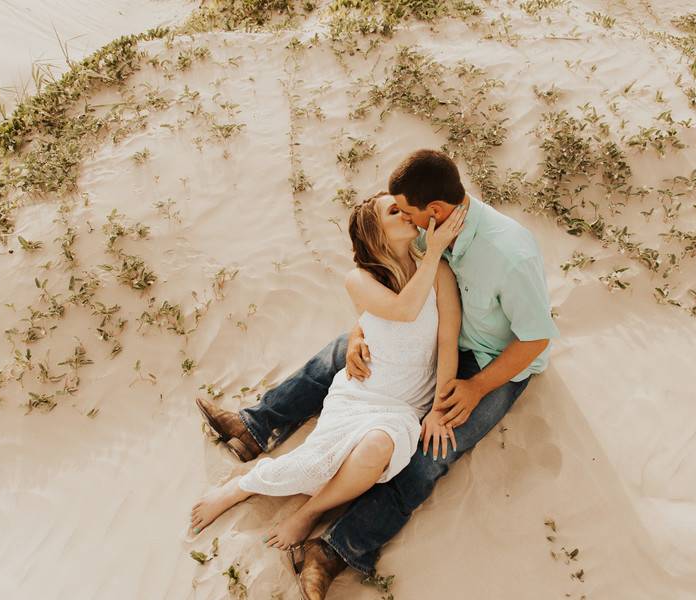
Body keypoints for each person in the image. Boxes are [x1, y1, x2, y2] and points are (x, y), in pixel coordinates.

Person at [196, 149, 560, 599]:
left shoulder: (509, 254)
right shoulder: (425, 233)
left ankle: (336, 547)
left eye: (405, 210)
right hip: (426, 346)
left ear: (435, 212)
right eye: (398, 212)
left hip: (491, 362)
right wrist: (357, 333)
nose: (404, 217)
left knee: (432, 452)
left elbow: (536, 341)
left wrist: (474, 386)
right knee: (343, 353)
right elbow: (389, 290)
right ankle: (255, 425)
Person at [190, 193, 466, 550]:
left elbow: (448, 339)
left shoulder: (439, 271)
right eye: (393, 212)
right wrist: (431, 253)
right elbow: (403, 310)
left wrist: (440, 407)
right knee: (315, 462)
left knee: (376, 450)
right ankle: (239, 487)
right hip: (362, 392)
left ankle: (308, 513)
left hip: (406, 407)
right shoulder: (360, 279)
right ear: (375, 233)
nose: (405, 213)